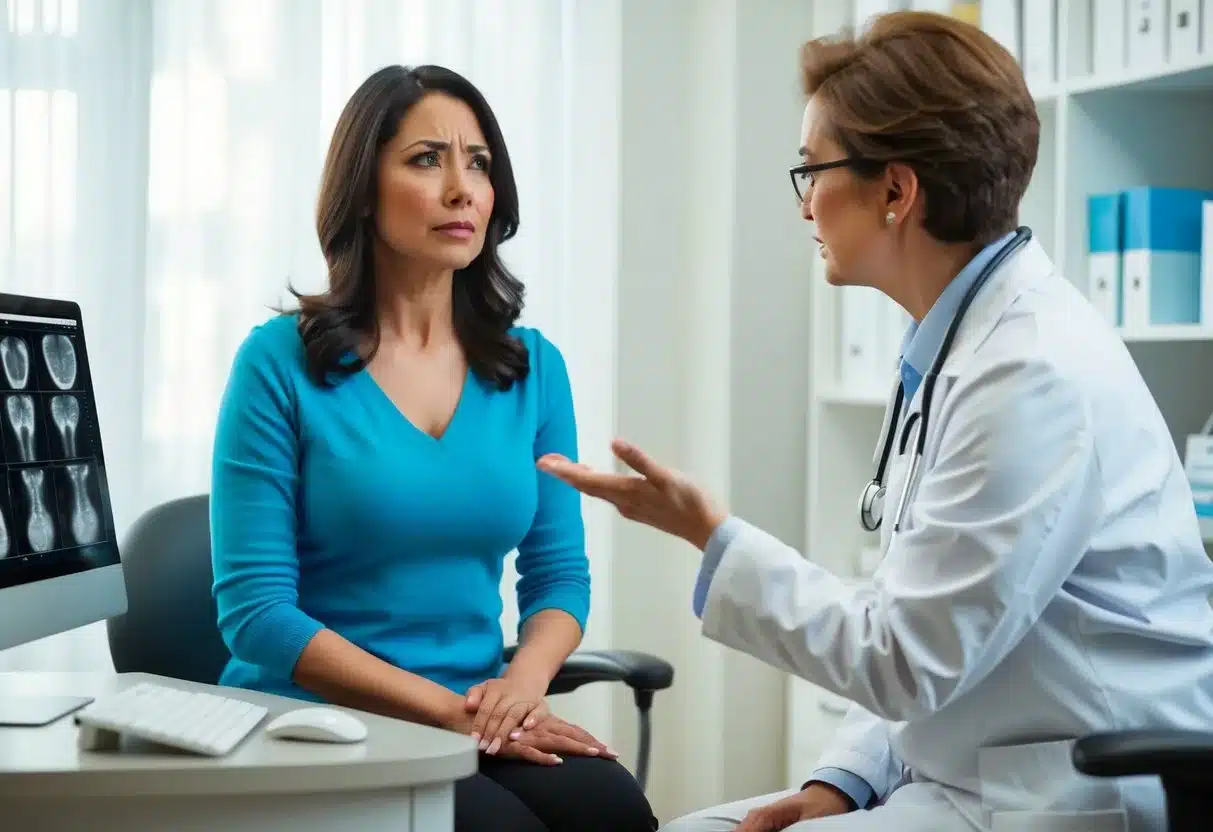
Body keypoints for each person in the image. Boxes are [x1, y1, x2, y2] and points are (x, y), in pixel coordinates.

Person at [539, 11, 1213, 832]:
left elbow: (905, 657)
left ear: (894, 192)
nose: (804, 207)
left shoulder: (1028, 372)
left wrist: (710, 533)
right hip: (976, 768)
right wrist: (843, 781)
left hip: (1064, 790)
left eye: (809, 171)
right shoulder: (961, 342)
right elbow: (919, 619)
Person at [209, 64, 657, 832]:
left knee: (614, 812)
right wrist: (454, 713)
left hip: (475, 711)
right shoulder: (277, 363)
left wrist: (520, 686)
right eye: (426, 159)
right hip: (318, 725)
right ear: (362, 187)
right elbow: (256, 614)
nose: (462, 189)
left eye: (478, 163)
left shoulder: (533, 368)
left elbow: (558, 577)